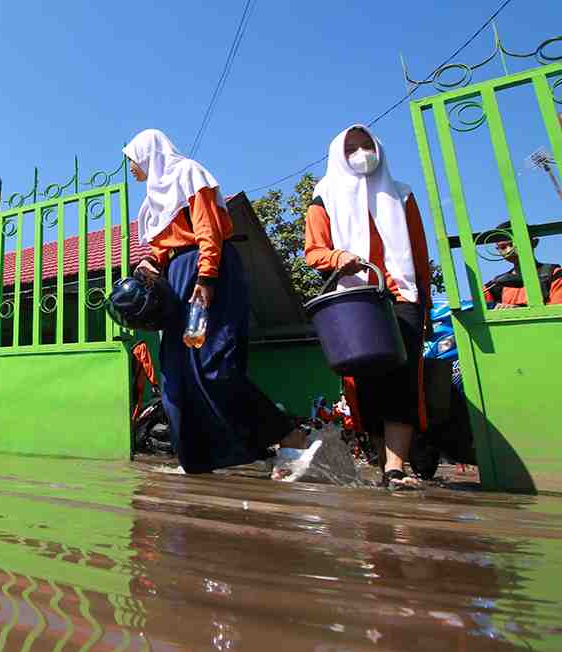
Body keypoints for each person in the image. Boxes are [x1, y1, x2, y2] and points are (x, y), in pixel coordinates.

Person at [124, 129, 319, 474]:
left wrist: (206, 277)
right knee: (175, 378)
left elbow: (208, 230)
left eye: (132, 160)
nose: (131, 169)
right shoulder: (154, 199)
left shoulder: (188, 174)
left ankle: (288, 436)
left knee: (215, 366)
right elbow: (163, 247)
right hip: (176, 282)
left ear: (147, 152)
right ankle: (199, 460)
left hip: (205, 275)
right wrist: (152, 262)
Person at [305, 124, 432, 489]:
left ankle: (396, 468)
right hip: (356, 301)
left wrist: (421, 301)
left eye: (367, 145)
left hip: (401, 296)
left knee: (403, 381)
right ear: (338, 156)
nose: (362, 153)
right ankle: (381, 463)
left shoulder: (402, 194)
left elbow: (419, 256)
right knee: (366, 384)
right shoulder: (324, 196)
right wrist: (338, 255)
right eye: (352, 148)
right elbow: (313, 251)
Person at [483, 221, 562, 308]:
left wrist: (518, 311)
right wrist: (494, 306)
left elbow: (557, 311)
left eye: (514, 244)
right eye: (503, 247)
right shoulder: (496, 284)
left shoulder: (554, 274)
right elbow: (472, 307)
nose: (509, 250)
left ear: (534, 242)